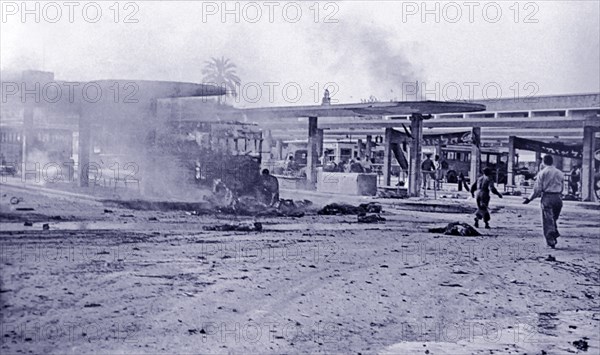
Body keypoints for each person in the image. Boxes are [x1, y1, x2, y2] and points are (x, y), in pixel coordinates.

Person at [523, 155, 564, 248]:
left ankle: (551, 240)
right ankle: (554, 233)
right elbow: (562, 188)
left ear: (543, 162)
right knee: (553, 219)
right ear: (552, 161)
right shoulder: (560, 173)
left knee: (548, 220)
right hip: (558, 198)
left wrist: (529, 199)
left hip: (547, 197)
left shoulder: (542, 173)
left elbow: (537, 189)